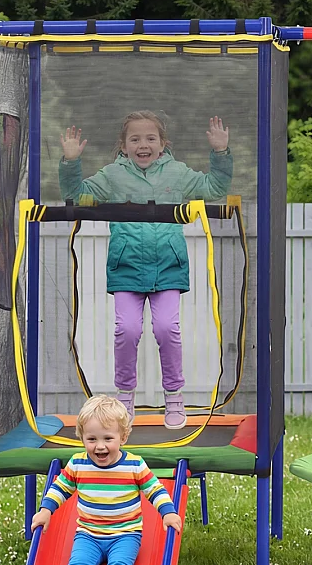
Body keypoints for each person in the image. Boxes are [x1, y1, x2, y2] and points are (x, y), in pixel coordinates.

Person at [59, 110, 234, 428]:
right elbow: (78, 196)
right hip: (127, 266)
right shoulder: (113, 176)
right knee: (127, 330)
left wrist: (220, 152)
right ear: (124, 146)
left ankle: (174, 396)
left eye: (150, 138)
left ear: (163, 143)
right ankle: (125, 396)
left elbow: (214, 189)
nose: (143, 144)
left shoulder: (178, 174)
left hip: (168, 266)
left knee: (167, 329)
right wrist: (71, 162)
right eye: (135, 139)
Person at [32, 395, 184, 565]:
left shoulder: (133, 465)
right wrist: (45, 510)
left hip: (125, 534)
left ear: (122, 437)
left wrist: (168, 512)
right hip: (88, 534)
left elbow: (155, 489)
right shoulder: (78, 464)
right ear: (81, 437)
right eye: (91, 439)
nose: (100, 446)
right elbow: (60, 488)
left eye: (108, 438)